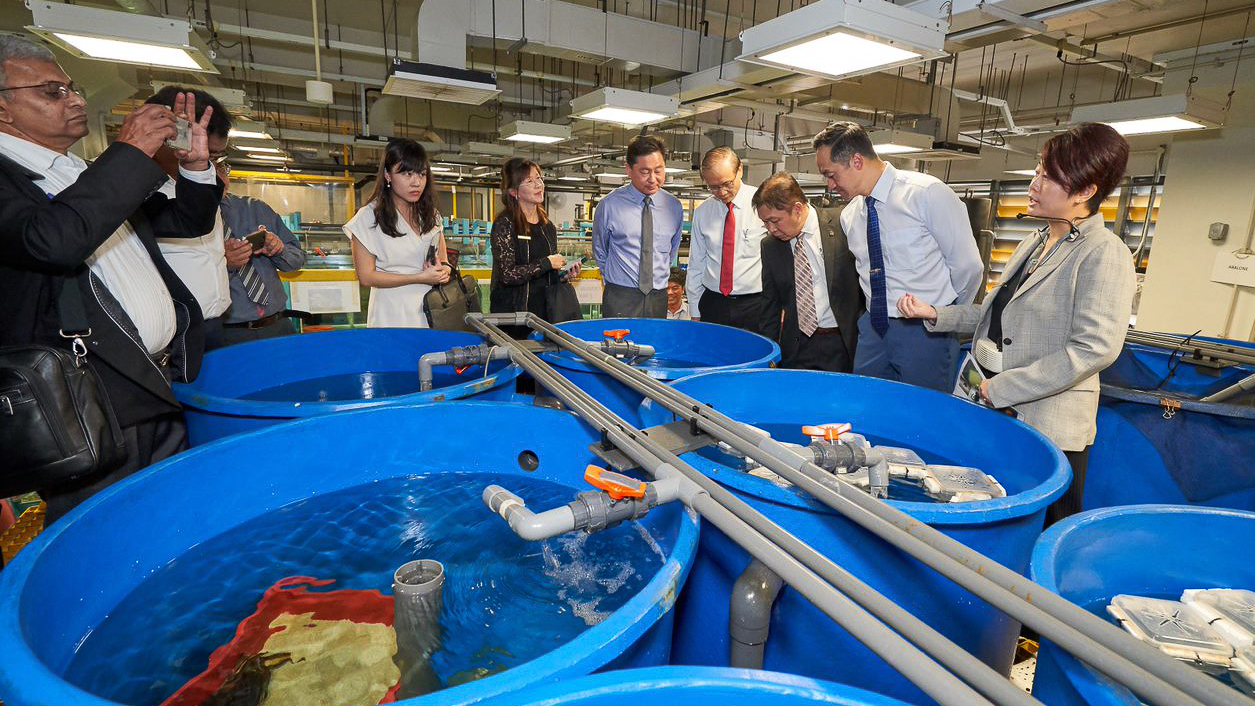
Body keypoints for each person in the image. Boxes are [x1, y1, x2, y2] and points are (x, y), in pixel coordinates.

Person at [0, 35, 221, 522]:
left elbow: (186, 220)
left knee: (172, 522)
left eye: (72, 87)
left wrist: (196, 164)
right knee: (111, 535)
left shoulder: (79, 173)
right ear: (4, 109)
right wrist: (131, 152)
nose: (76, 99)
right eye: (52, 91)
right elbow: (53, 240)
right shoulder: (12, 182)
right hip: (87, 401)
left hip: (148, 382)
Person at [897, 122, 1136, 525]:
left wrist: (1004, 388)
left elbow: (1093, 348)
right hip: (997, 404)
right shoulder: (1036, 242)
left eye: (1048, 177)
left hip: (1047, 422)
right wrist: (937, 313)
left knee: (1041, 525)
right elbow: (1000, 316)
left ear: (1084, 191)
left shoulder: (1103, 253)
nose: (1035, 184)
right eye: (1038, 172)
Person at [814, 121, 983, 391]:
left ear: (856, 161)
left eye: (831, 174)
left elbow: (968, 267)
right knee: (868, 407)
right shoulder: (851, 215)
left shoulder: (926, 194)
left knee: (922, 416)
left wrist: (945, 315)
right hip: (874, 329)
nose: (829, 185)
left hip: (925, 331)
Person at [147, 86, 233, 350]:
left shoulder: (202, 185)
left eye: (216, 156)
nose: (209, 160)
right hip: (169, 332)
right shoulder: (131, 188)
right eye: (209, 152)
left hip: (213, 323)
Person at [754, 173, 861, 372]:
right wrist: (768, 356)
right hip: (796, 347)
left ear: (797, 208)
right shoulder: (770, 245)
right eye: (765, 223)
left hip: (842, 343)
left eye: (775, 220)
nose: (771, 229)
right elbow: (770, 304)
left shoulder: (842, 225)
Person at [343, 138, 451, 327]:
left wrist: (444, 270)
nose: (416, 182)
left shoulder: (431, 215)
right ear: (387, 175)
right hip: (392, 314)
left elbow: (445, 259)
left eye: (422, 174)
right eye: (407, 174)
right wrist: (419, 277)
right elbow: (367, 276)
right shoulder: (368, 217)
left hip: (433, 312)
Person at [217, 159, 308, 346]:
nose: (220, 178)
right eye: (210, 168)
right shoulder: (183, 223)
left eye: (222, 169)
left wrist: (279, 249)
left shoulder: (256, 209)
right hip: (229, 336)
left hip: (278, 328)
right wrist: (224, 265)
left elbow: (297, 260)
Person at [592, 134, 683, 318]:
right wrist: (618, 279)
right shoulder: (609, 205)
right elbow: (600, 250)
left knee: (653, 345)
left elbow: (671, 251)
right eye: (644, 171)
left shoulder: (674, 206)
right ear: (629, 169)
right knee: (617, 346)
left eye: (658, 170)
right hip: (621, 294)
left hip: (658, 295)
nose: (652, 178)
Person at [489, 158, 580, 328]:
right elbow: (507, 274)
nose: (538, 184)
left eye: (539, 178)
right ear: (513, 191)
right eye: (529, 181)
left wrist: (563, 276)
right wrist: (546, 263)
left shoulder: (548, 227)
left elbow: (545, 273)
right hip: (514, 317)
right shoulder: (505, 224)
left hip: (545, 315)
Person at [687, 147, 767, 331]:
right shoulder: (703, 212)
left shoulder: (763, 204)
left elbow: (781, 260)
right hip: (714, 304)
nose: (721, 192)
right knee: (712, 358)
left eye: (727, 183)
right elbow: (696, 264)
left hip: (755, 304)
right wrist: (694, 309)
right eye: (713, 186)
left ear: (740, 170)